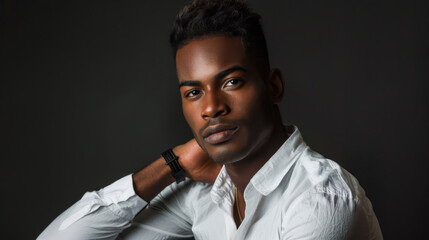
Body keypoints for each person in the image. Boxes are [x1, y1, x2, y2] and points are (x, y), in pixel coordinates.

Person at [38, 0, 383, 239]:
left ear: (273, 85)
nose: (211, 107)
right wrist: (172, 164)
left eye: (232, 82)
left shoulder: (321, 201)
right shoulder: (207, 195)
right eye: (193, 92)